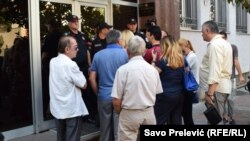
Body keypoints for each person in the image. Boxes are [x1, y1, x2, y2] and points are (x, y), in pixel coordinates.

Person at [111, 36, 162, 141]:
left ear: (128, 51)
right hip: (148, 113)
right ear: (144, 51)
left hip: (129, 112)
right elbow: (157, 92)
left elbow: (116, 101)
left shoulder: (122, 70)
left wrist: (121, 113)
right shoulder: (153, 70)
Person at [89, 29, 128, 141]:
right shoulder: (125, 55)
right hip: (120, 97)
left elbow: (92, 78)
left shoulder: (97, 55)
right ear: (119, 40)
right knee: (119, 131)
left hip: (103, 95)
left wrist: (98, 93)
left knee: (104, 131)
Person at [49, 36, 88, 141]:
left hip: (58, 108)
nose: (78, 50)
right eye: (75, 47)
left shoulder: (53, 61)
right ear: (67, 49)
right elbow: (84, 84)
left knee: (61, 137)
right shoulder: (71, 64)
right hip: (71, 109)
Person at [200, 21, 232, 125]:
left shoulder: (215, 45)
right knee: (216, 119)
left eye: (202, 32)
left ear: (207, 30)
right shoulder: (224, 43)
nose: (201, 34)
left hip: (216, 89)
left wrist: (210, 94)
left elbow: (215, 70)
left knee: (215, 121)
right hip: (221, 87)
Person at [64, 14, 93, 122]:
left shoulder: (82, 35)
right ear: (69, 23)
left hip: (84, 68)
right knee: (74, 93)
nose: (76, 23)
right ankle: (76, 116)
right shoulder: (66, 36)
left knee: (86, 92)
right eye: (73, 21)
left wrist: (90, 65)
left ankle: (86, 116)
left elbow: (87, 51)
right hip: (73, 69)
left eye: (77, 21)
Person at [152, 35, 185, 125]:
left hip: (165, 95)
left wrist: (154, 61)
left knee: (158, 120)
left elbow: (152, 75)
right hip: (179, 94)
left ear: (165, 47)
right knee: (176, 120)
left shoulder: (163, 61)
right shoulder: (182, 60)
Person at [219, 30, 245, 124]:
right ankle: (224, 116)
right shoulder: (216, 48)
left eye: (223, 38)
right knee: (222, 99)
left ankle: (230, 116)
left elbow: (236, 61)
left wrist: (241, 75)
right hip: (221, 78)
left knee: (230, 98)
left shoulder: (233, 47)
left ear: (226, 38)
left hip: (231, 78)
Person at [41, 19, 62, 118]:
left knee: (50, 88)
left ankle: (50, 111)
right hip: (60, 65)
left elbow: (45, 52)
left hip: (50, 65)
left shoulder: (49, 36)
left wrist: (40, 63)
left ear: (50, 25)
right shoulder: (61, 35)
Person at [179, 38, 199, 125]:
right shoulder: (188, 56)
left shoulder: (192, 56)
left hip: (189, 88)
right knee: (185, 114)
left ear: (184, 46)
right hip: (188, 88)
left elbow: (181, 68)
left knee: (187, 115)